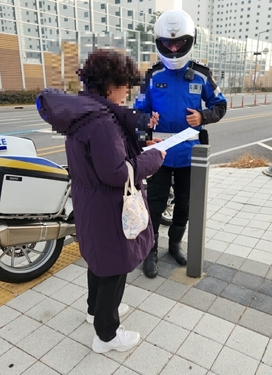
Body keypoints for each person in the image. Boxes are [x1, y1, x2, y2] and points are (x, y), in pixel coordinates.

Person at [36, 49, 165, 353]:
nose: (127, 92)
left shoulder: (83, 112)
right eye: (125, 86)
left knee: (98, 260)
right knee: (115, 266)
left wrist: (143, 136)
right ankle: (106, 334)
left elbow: (109, 148)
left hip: (90, 202)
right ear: (111, 85)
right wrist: (154, 158)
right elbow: (117, 172)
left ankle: (95, 309)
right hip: (108, 205)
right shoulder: (101, 121)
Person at [134, 9, 227, 278]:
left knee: (185, 206)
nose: (173, 49)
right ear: (159, 43)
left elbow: (220, 106)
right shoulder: (151, 77)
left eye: (179, 43)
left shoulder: (201, 75)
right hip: (159, 155)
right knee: (154, 206)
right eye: (168, 44)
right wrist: (144, 122)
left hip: (190, 156)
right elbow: (137, 113)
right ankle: (150, 251)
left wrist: (203, 115)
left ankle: (174, 245)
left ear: (189, 41)